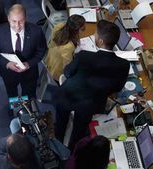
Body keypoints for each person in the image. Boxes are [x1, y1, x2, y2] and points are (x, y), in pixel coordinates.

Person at [55, 20, 130, 149]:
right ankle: (72, 150)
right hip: (91, 104)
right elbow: (117, 88)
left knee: (60, 123)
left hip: (67, 95)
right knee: (79, 131)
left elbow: (67, 72)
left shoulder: (83, 55)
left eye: (95, 34)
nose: (94, 35)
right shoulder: (124, 64)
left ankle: (57, 143)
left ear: (100, 41)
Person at [0, 4, 47, 100]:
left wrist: (28, 64)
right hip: (8, 72)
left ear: (25, 18)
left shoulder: (36, 31)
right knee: (12, 94)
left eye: (21, 21)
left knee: (28, 95)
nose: (17, 25)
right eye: (14, 21)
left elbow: (41, 51)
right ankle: (15, 109)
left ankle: (25, 112)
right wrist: (7, 63)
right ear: (8, 18)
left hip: (29, 73)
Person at [44, 15, 86, 82]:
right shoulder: (68, 46)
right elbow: (67, 67)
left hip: (50, 60)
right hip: (57, 71)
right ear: (76, 31)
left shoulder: (59, 26)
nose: (84, 31)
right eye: (83, 29)